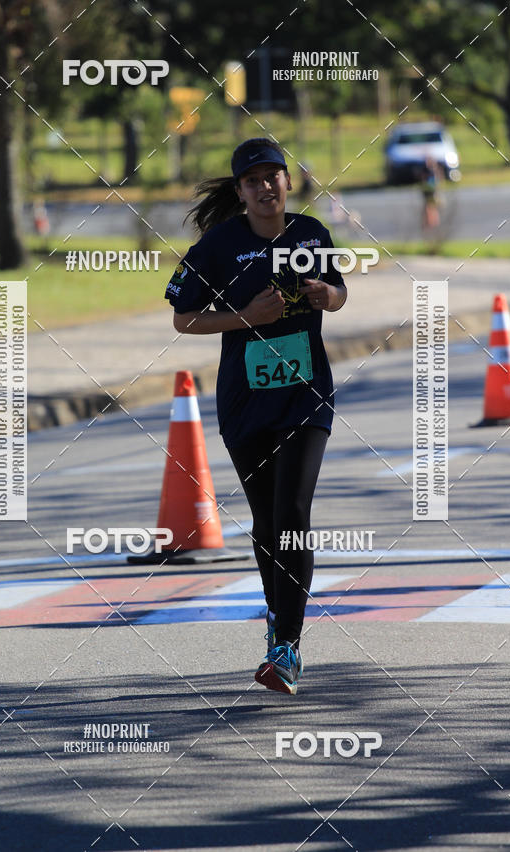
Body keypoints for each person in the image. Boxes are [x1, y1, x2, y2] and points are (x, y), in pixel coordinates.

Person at [164, 137, 347, 695]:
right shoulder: (218, 246)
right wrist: (244, 317)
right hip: (246, 400)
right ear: (240, 191)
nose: (265, 187)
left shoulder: (311, 233)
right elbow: (183, 319)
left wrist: (326, 296)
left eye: (274, 176)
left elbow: (341, 292)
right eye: (253, 180)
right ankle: (277, 619)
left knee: (292, 509)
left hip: (305, 394)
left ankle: (286, 646)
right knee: (267, 521)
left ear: (289, 182)